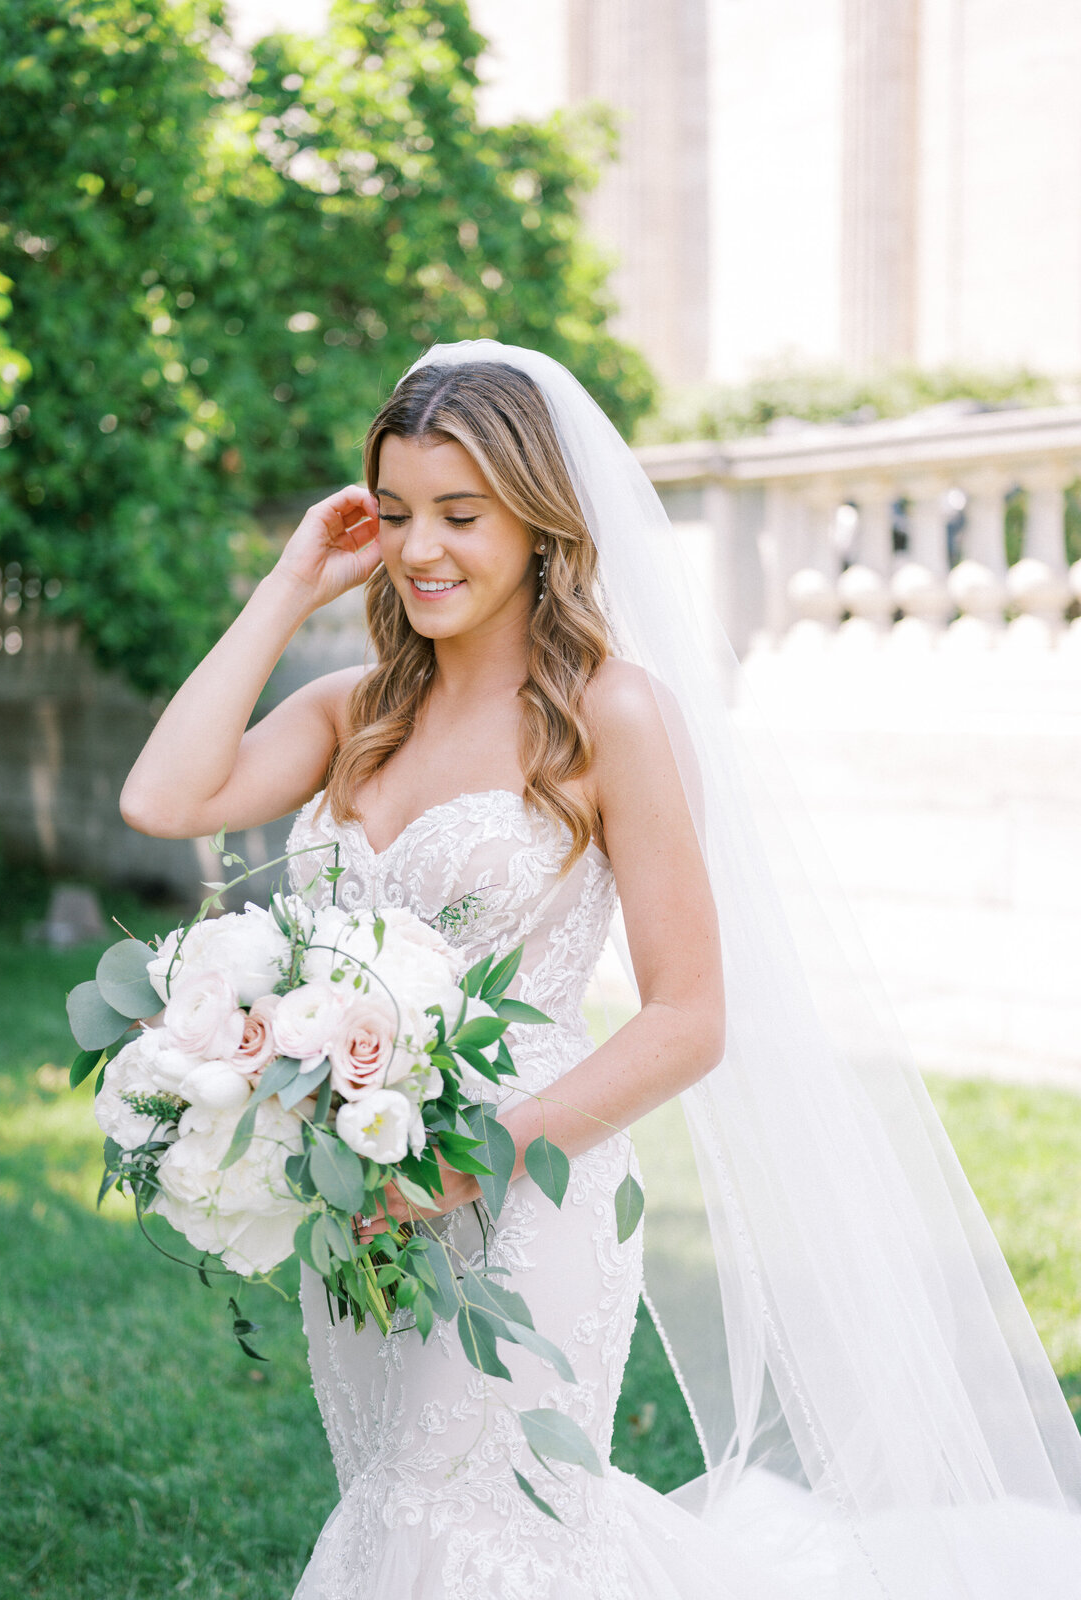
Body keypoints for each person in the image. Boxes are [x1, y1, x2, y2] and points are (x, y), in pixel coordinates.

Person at [120, 341, 1081, 1599]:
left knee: (479, 1531)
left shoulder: (610, 713)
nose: (420, 550)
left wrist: (483, 1152)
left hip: (531, 1192)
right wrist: (291, 583)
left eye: (461, 515)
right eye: (398, 514)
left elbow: (691, 1017)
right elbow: (164, 795)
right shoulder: (357, 712)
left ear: (537, 520)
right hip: (355, 1204)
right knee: (396, 1503)